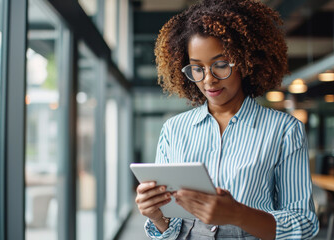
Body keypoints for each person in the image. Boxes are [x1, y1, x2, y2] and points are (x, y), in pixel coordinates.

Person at [134, 0, 319, 239]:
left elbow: (305, 224)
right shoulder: (174, 129)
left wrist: (238, 215)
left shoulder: (283, 129)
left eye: (220, 65)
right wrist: (157, 217)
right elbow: (169, 229)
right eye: (197, 68)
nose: (209, 79)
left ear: (245, 61)